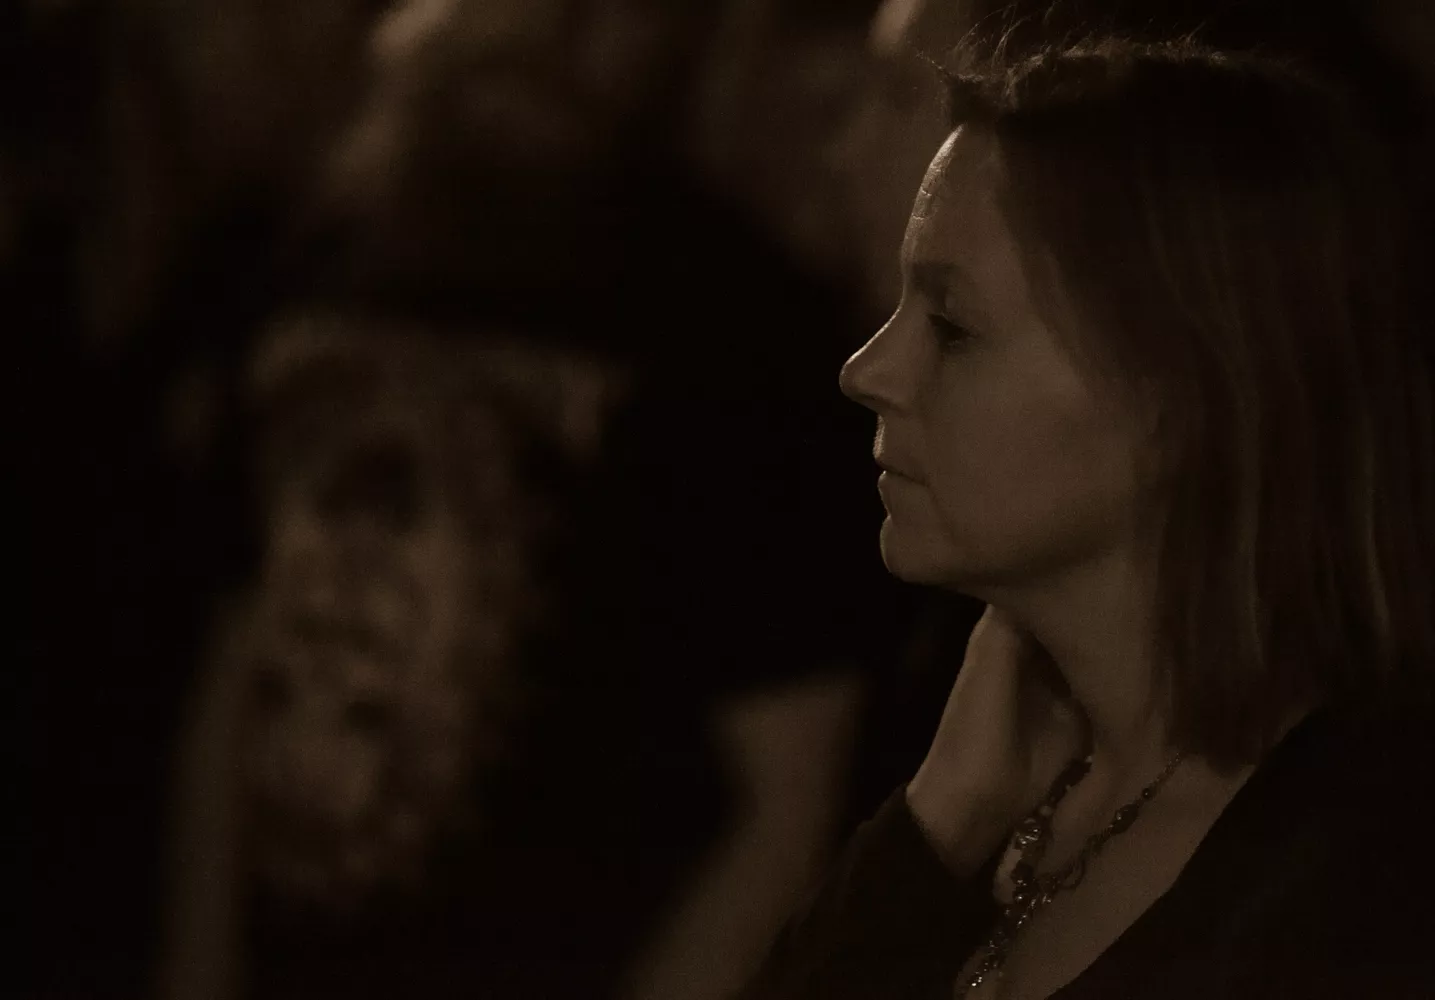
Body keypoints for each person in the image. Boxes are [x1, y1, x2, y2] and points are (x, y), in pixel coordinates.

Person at [738, 2, 1435, 998]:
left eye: (952, 326)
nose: (865, 370)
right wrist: (938, 823)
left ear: (1183, 396)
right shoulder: (985, 774)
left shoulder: (1364, 878)